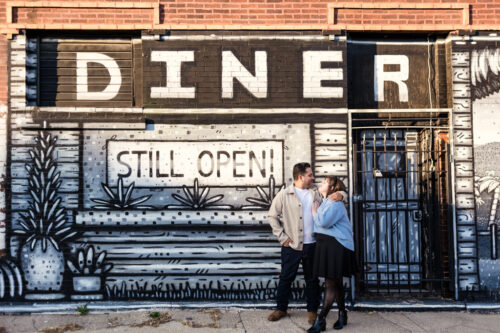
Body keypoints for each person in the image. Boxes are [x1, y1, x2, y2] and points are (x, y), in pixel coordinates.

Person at [267, 163, 345, 325]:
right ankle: (281, 308)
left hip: (313, 245)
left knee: (312, 280)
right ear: (301, 176)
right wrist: (283, 238)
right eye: (310, 175)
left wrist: (343, 194)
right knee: (286, 278)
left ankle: (312, 311)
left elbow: (336, 190)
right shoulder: (284, 194)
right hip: (292, 245)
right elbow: (272, 216)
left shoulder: (314, 192)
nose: (313, 177)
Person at [307, 176, 355, 332]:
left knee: (330, 284)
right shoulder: (326, 200)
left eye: (325, 183)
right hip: (329, 246)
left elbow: (323, 222)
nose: (321, 184)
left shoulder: (335, 203)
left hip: (337, 246)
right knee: (336, 282)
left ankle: (320, 320)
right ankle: (342, 315)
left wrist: (314, 211)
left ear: (333, 188)